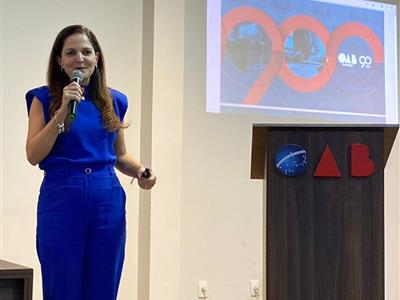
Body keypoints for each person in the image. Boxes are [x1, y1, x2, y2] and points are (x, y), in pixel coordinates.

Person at [25, 24, 156, 300]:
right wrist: (60, 115)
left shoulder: (113, 100)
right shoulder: (44, 98)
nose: (79, 58)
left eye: (86, 52)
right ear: (60, 61)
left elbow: (120, 155)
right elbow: (33, 154)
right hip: (62, 196)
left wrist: (142, 171)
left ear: (97, 58)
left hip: (106, 198)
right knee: (62, 283)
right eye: (70, 53)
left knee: (103, 284)